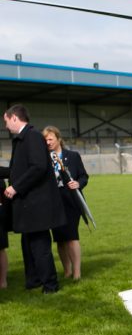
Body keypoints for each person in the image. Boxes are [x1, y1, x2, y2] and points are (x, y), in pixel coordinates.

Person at [3, 105, 65, 294]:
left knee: (40, 247)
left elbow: (38, 167)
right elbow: (18, 170)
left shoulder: (32, 137)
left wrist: (15, 187)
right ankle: (34, 280)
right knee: (28, 246)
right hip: (28, 206)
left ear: (14, 118)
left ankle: (50, 285)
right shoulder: (23, 139)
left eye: (5, 121)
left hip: (37, 206)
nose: (5, 126)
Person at [43, 126, 89, 281]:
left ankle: (77, 272)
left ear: (58, 139)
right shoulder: (44, 159)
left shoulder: (73, 156)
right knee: (60, 238)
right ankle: (67, 271)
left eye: (50, 139)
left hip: (71, 200)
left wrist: (78, 183)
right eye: (46, 139)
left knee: (71, 236)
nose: (48, 142)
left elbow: (84, 176)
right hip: (53, 202)